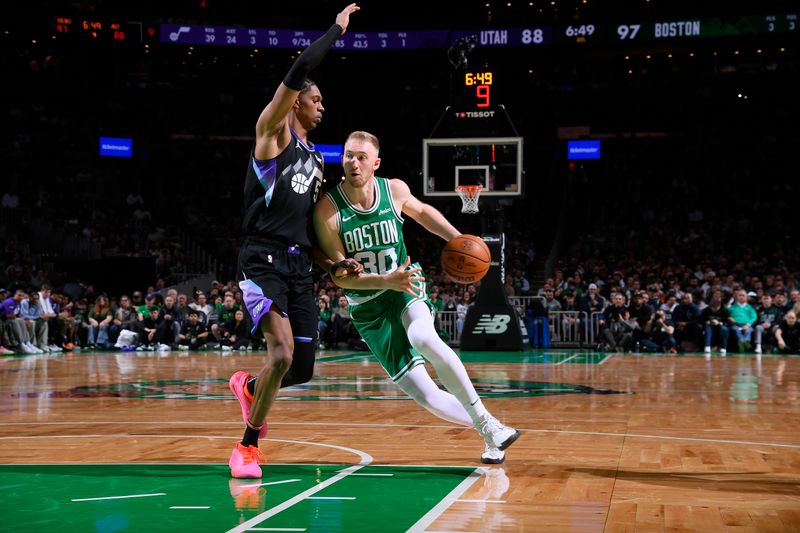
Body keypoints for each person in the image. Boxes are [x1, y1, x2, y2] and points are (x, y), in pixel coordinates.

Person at [314, 130, 520, 465]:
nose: (354, 162)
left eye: (361, 156)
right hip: (368, 308)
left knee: (423, 336)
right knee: (426, 396)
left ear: (375, 163)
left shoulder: (392, 189)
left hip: (406, 286)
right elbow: (340, 275)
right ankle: (491, 430)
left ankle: (487, 423)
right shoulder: (327, 209)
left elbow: (423, 213)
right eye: (349, 155)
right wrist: (384, 280)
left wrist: (460, 241)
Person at [226, 3, 362, 479]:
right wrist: (337, 30)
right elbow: (301, 67)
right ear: (296, 101)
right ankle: (246, 448)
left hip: (299, 265)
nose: (322, 105)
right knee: (280, 354)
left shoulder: (316, 159)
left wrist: (334, 265)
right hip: (260, 259)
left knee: (299, 369)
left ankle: (246, 386)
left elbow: (308, 229)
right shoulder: (272, 133)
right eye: (316, 98)